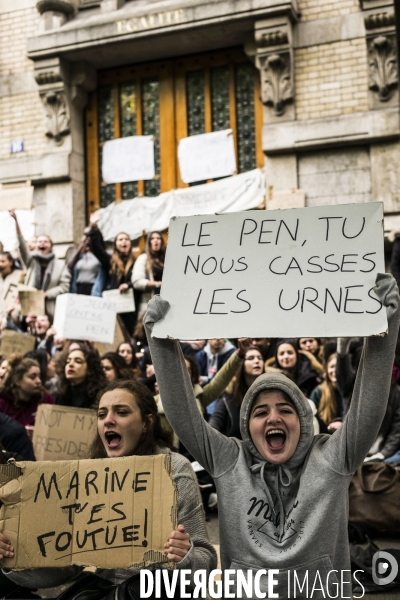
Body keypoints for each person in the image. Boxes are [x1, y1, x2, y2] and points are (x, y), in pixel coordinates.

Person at [144, 273, 399, 598]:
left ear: (304, 421)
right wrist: (161, 339)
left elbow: (368, 406)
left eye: (285, 410)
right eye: (260, 412)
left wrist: (385, 325)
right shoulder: (229, 460)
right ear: (247, 427)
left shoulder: (333, 458)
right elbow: (183, 412)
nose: (273, 418)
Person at [0, 380, 217, 595]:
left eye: (121, 412)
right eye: (102, 414)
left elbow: (205, 563)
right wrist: (12, 556)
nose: (108, 421)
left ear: (146, 422)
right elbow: (67, 566)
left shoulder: (174, 469)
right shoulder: (88, 477)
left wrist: (185, 555)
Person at [9, 210, 71, 319]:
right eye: (39, 241)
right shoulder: (31, 261)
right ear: (35, 246)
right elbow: (22, 245)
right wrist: (16, 220)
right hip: (31, 307)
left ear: (51, 247)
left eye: (45, 241)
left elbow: (64, 287)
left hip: (50, 309)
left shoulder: (60, 266)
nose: (42, 243)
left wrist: (46, 294)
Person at [88, 215, 137, 335]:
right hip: (113, 306)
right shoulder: (110, 261)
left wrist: (128, 285)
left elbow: (139, 280)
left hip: (131, 307)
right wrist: (94, 229)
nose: (124, 241)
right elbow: (97, 248)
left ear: (130, 244)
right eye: (120, 239)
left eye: (126, 239)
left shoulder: (136, 261)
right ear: (115, 244)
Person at [209, 346, 264, 438]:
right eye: (251, 358)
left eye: (260, 358)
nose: (257, 361)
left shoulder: (271, 391)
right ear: (241, 365)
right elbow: (215, 421)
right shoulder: (230, 394)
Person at [0, 356, 55, 427]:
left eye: (39, 377)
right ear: (17, 381)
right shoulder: (3, 402)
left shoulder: (46, 400)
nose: (39, 381)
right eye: (33, 377)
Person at [132, 231, 166, 314]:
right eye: (152, 238)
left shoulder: (167, 259)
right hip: (150, 304)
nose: (155, 240)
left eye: (158, 238)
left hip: (166, 302)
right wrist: (158, 284)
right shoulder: (143, 258)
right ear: (149, 242)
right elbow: (137, 282)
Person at [309, 353, 343, 425]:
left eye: (339, 366)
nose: (335, 370)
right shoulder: (318, 392)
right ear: (327, 370)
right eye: (332, 367)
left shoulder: (353, 393)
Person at [67, 228, 103, 296]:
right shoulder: (79, 255)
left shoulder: (99, 255)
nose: (87, 238)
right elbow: (68, 268)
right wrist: (81, 247)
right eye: (85, 235)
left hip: (94, 289)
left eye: (90, 235)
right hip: (78, 288)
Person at [0, 251, 22, 322]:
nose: (0, 264)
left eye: (3, 261)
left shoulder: (20, 275)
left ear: (11, 262)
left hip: (13, 318)